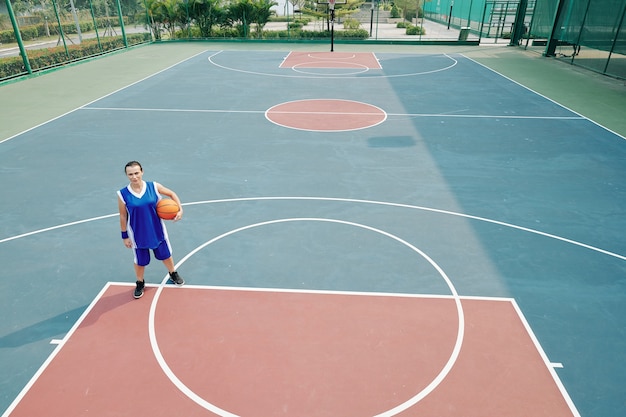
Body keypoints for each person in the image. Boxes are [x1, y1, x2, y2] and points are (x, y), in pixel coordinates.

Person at [117, 161, 185, 299]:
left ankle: (173, 273)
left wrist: (180, 209)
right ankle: (140, 282)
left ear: (142, 172)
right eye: (130, 174)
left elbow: (171, 194)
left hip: (156, 230)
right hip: (137, 233)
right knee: (140, 261)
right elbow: (123, 215)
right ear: (126, 175)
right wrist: (124, 236)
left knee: (165, 255)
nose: (134, 177)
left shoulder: (153, 186)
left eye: (136, 173)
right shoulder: (122, 194)